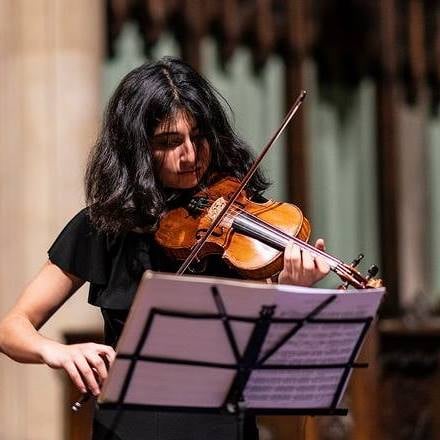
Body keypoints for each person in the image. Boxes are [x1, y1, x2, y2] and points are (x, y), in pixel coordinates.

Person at [0, 57, 329, 440]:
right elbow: (12, 329)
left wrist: (292, 291)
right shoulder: (103, 226)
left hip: (225, 427)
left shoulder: (240, 220)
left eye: (198, 136)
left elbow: (271, 348)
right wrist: (58, 353)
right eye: (169, 142)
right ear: (136, 149)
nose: (190, 154)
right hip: (132, 429)